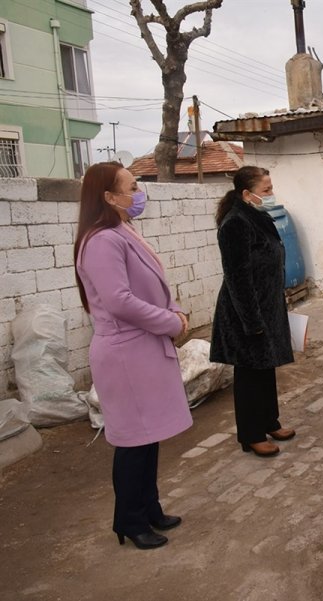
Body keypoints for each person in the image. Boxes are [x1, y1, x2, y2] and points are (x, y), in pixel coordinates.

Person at [74, 162, 192, 550]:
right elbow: (119, 301)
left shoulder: (121, 230)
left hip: (141, 348)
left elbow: (151, 286)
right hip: (125, 353)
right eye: (131, 186)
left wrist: (173, 311)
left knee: (149, 435)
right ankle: (129, 519)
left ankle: (149, 507)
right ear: (108, 197)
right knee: (132, 441)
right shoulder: (101, 241)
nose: (138, 191)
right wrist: (170, 323)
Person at [210, 166, 296, 458]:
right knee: (249, 373)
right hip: (246, 312)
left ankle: (269, 421)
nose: (271, 195)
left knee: (265, 367)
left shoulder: (257, 216)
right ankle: (251, 434)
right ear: (247, 194)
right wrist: (252, 321)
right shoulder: (235, 224)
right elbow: (237, 278)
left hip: (266, 306)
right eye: (266, 190)